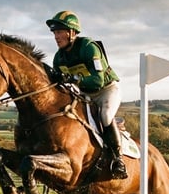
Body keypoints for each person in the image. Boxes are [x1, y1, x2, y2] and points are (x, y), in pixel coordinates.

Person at [46, 10, 127, 179]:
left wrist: (73, 79)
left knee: (105, 116)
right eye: (55, 32)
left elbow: (97, 80)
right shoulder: (58, 58)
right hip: (84, 95)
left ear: (72, 33)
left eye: (60, 32)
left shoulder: (88, 47)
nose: (56, 36)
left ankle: (118, 160)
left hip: (106, 90)